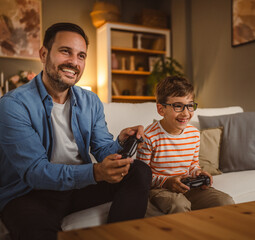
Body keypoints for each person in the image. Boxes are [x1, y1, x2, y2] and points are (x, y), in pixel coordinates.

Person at [0, 22, 152, 240]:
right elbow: (34, 172)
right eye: (65, 51)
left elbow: (101, 149)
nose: (74, 62)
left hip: (79, 185)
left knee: (138, 171)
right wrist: (96, 172)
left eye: (81, 56)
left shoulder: (90, 100)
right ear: (44, 54)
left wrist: (120, 142)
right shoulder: (13, 105)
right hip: (29, 194)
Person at [136, 76, 234, 214]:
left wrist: (198, 173)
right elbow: (141, 177)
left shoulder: (194, 134)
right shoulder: (149, 136)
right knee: (179, 205)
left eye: (190, 105)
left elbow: (193, 164)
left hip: (188, 186)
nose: (186, 113)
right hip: (160, 190)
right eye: (178, 106)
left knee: (225, 202)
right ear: (161, 109)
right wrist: (167, 182)